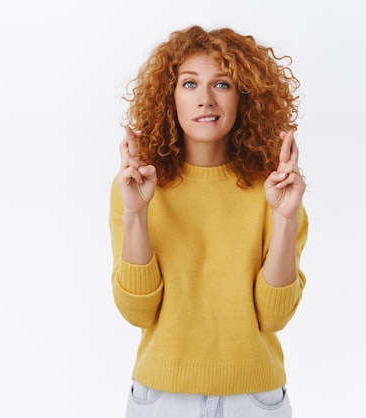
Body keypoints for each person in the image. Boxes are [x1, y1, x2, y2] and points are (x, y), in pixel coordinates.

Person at [109, 25, 308, 418]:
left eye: (222, 85)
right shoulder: (138, 185)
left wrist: (284, 221)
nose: (204, 99)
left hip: (255, 397)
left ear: (243, 97)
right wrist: (135, 214)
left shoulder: (274, 189)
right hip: (162, 397)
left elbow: (275, 317)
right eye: (189, 84)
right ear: (170, 97)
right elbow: (137, 314)